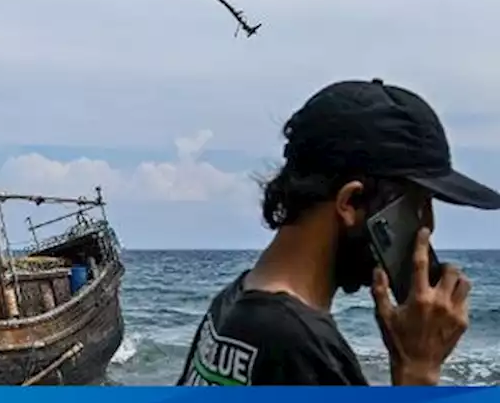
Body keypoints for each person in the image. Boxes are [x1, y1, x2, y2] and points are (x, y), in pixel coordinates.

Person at [177, 78, 500, 386]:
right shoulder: (299, 348)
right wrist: (418, 368)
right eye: (416, 207)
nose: (427, 226)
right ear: (350, 202)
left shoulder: (234, 303)